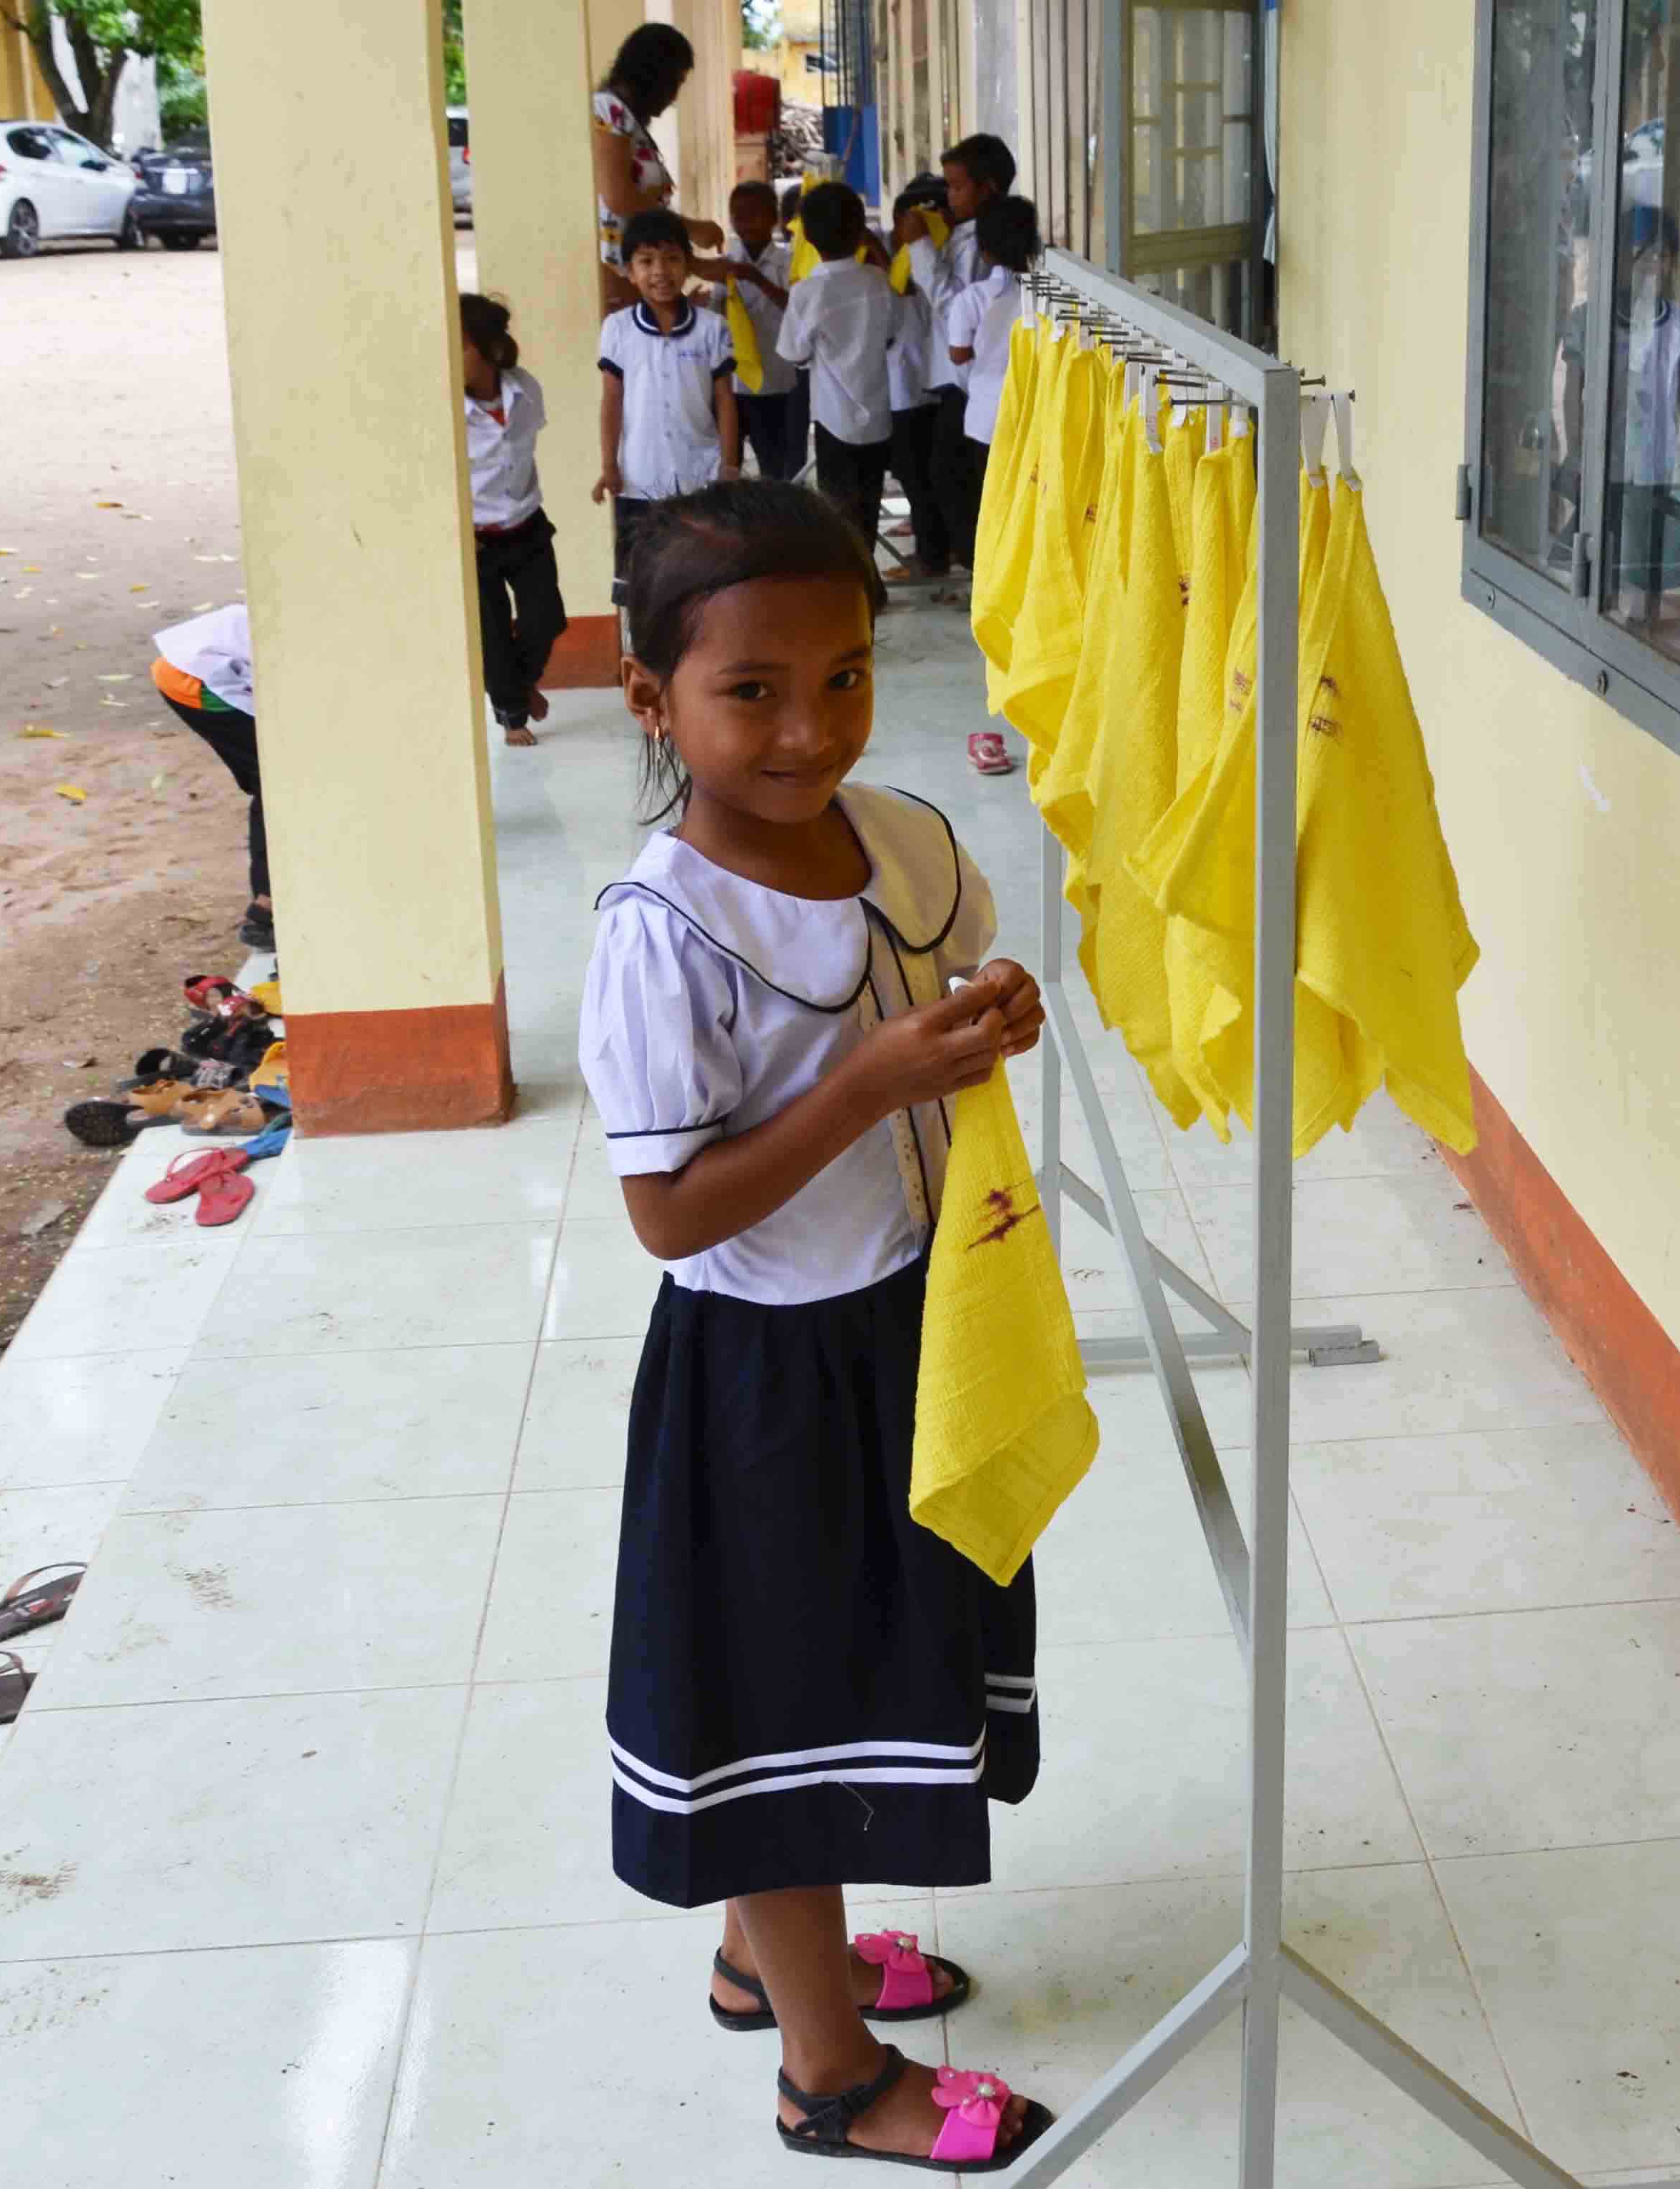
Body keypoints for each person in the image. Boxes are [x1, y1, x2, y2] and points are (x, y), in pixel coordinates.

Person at [578, 479, 1057, 2171]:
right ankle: (828, 2075)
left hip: (910, 1325)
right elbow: (669, 1215)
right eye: (752, 691)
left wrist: (988, 1014)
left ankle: (759, 1961)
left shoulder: (908, 841)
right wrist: (867, 1086)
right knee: (779, 1719)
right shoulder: (663, 932)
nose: (807, 728)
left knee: (846, 1670)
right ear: (654, 701)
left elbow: (948, 989)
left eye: (845, 676)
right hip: (765, 1375)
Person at [595, 210, 744, 604]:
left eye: (672, 259)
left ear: (688, 265)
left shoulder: (711, 328)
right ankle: (644, 646)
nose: (660, 271)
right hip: (639, 476)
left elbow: (726, 401)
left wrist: (730, 465)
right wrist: (609, 465)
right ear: (630, 272)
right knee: (641, 586)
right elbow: (612, 401)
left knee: (700, 582)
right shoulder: (617, 329)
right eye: (646, 262)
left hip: (700, 474)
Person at [461, 293, 567, 750]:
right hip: (477, 541)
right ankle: (511, 713)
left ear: (492, 348)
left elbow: (521, 453)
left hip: (527, 524)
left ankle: (523, 684)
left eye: (460, 346)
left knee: (546, 618)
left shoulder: (525, 391)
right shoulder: (446, 409)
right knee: (493, 635)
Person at [909, 131, 1016, 574]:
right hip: (961, 380)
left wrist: (920, 247)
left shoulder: (982, 244)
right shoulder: (967, 234)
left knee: (955, 477)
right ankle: (978, 565)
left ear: (987, 188)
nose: (949, 196)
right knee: (952, 474)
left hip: (972, 380)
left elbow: (957, 308)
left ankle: (980, 568)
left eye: (956, 187)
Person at [775, 182, 899, 555]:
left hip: (835, 418)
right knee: (868, 503)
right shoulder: (878, 280)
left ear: (808, 237)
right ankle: (868, 572)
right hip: (878, 414)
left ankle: (855, 576)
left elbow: (793, 353)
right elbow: (891, 335)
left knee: (839, 511)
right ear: (861, 230)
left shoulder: (808, 292)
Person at [1609, 206, 1680, 650]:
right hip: (1621, 454)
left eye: (1663, 256)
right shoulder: (1608, 319)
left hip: (1662, 453)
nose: (1653, 264)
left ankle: (1646, 620)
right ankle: (1628, 622)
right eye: (1642, 254)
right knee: (1626, 538)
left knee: (1657, 541)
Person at [150, 603, 269, 951]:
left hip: (192, 665)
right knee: (275, 786)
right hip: (197, 679)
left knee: (270, 781)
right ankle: (266, 910)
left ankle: (268, 906)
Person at [593, 23, 723, 313]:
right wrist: (690, 228)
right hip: (617, 274)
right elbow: (619, 197)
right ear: (652, 74)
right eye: (675, 82)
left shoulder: (626, 118)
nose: (674, 96)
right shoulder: (607, 109)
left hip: (635, 273)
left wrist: (693, 265)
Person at [943, 194, 1039, 567]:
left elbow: (958, 353)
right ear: (1033, 243)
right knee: (1029, 504)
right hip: (1035, 414)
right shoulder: (1049, 296)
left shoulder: (972, 298)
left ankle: (993, 574)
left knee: (991, 502)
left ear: (983, 250)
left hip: (988, 418)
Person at [714, 178, 806, 482]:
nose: (745, 222)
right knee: (728, 465)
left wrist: (758, 280)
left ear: (773, 218)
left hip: (776, 382)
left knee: (775, 467)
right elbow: (715, 316)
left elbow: (799, 311)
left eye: (754, 214)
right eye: (738, 215)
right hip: (733, 385)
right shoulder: (726, 265)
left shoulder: (788, 263)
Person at [885, 173, 955, 577]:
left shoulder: (938, 264)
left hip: (921, 390)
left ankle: (932, 555)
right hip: (909, 386)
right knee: (918, 478)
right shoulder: (901, 264)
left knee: (923, 479)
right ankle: (934, 548)